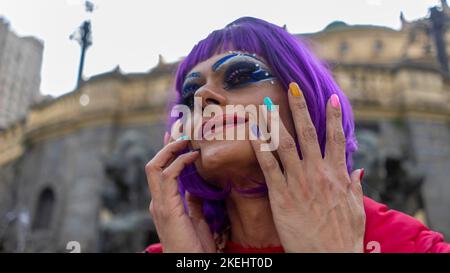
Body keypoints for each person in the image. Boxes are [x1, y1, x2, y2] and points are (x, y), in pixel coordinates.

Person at [144, 17, 450, 253]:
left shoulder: (408, 243)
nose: (204, 96)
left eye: (240, 76)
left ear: (301, 97)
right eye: (190, 95)